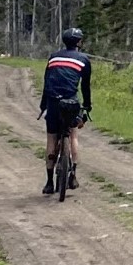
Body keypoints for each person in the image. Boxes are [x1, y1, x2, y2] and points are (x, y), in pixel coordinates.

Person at [41, 28, 94, 197]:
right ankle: (73, 177)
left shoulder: (53, 57)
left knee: (51, 138)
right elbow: (85, 87)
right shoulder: (84, 59)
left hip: (53, 101)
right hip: (71, 102)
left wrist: (43, 106)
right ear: (79, 42)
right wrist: (87, 106)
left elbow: (46, 82)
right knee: (73, 136)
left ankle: (49, 183)